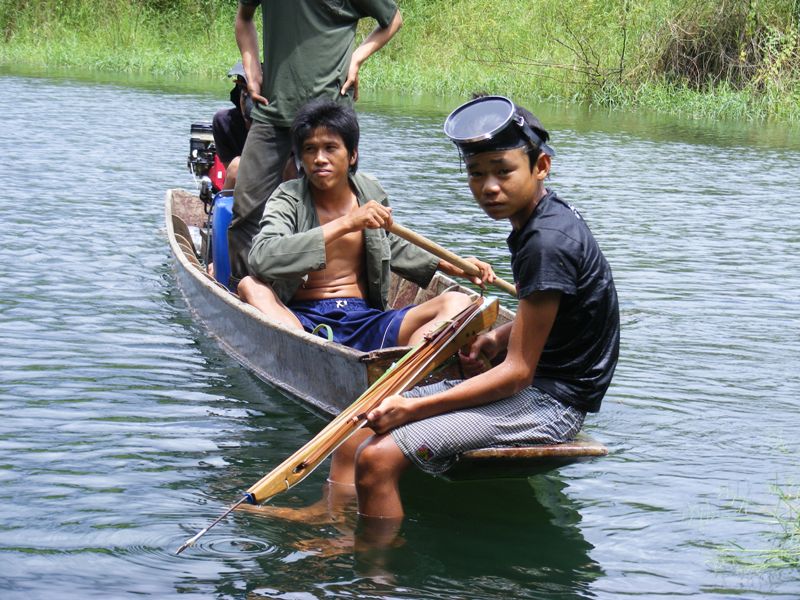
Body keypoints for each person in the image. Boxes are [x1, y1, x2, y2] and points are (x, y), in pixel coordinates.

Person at [352, 96, 620, 524]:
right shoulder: (539, 220)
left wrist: (414, 409)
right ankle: (332, 516)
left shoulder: (546, 241)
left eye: (504, 171)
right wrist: (497, 337)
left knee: (377, 459)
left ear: (541, 167)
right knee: (367, 416)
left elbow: (517, 374)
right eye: (477, 174)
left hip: (552, 406)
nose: (489, 187)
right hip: (536, 389)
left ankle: (374, 577)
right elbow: (558, 320)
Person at [238, 99, 494, 355]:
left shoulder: (370, 191)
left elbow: (387, 243)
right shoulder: (288, 197)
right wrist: (348, 223)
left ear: (352, 155)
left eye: (330, 148)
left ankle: (397, 370)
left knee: (458, 302)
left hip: (364, 319)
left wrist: (448, 263)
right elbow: (262, 257)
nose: (319, 159)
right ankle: (306, 354)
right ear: (301, 158)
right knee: (250, 286)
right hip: (300, 320)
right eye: (309, 149)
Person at [230, 0, 404, 286]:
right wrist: (252, 69)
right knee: (246, 209)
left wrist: (357, 57)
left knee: (332, 209)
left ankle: (321, 290)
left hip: (330, 117)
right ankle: (242, 290)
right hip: (273, 109)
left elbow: (393, 19)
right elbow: (244, 17)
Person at [212, 63, 252, 190]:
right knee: (236, 167)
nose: (246, 98)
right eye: (243, 90)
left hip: (275, 179)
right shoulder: (224, 122)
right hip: (240, 184)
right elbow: (232, 170)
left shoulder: (282, 124)